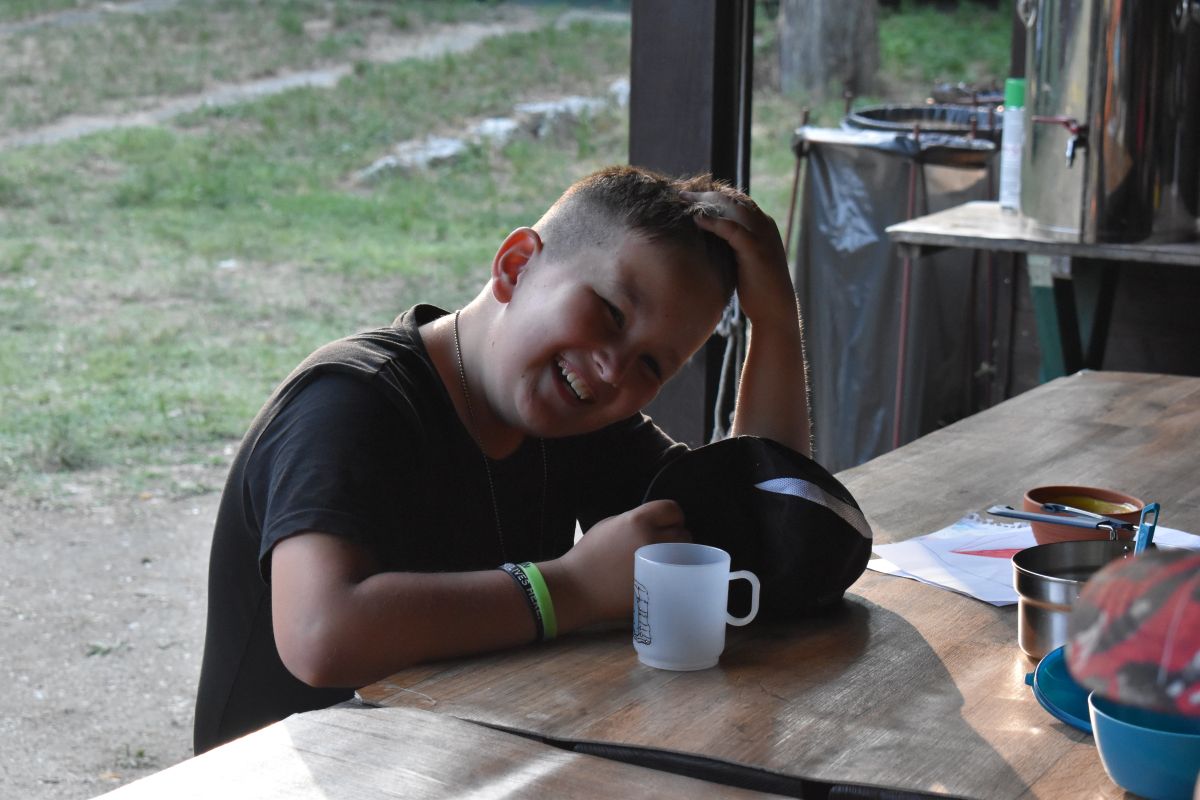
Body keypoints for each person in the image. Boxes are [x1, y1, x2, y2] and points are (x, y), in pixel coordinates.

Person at [193, 165, 810, 753]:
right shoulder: (351, 401)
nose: (612, 368)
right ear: (516, 266)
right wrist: (573, 588)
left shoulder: (581, 419)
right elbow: (319, 634)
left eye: (652, 364)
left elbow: (762, 532)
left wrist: (776, 322)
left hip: (456, 760)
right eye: (610, 312)